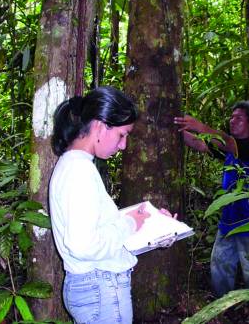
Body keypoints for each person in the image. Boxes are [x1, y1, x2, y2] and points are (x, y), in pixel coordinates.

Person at [49, 86, 174, 324]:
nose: (123, 145)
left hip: (95, 287)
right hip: (101, 289)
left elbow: (95, 228)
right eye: (122, 134)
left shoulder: (74, 165)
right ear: (100, 125)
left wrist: (151, 223)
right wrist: (129, 223)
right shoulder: (80, 171)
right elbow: (83, 244)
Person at [175, 101, 249, 322]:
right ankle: (222, 308)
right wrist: (177, 129)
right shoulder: (229, 149)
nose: (232, 120)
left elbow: (227, 143)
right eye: (231, 117)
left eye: (238, 117)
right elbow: (202, 145)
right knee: (220, 264)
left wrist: (201, 127)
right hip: (229, 220)